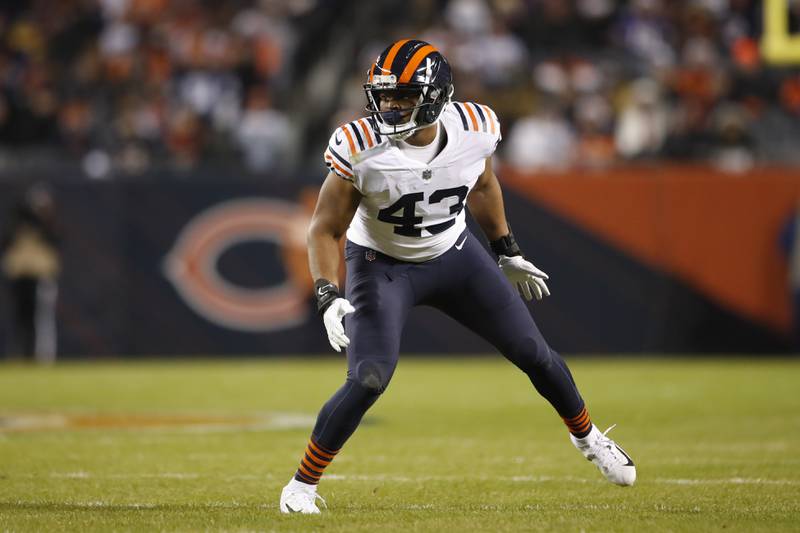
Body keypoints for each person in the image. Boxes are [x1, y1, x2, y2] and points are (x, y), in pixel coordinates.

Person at [279, 39, 636, 514]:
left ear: (435, 96)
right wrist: (327, 294)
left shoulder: (475, 128)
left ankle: (589, 438)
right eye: (385, 95)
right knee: (367, 379)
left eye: (405, 95)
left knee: (533, 352)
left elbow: (484, 183)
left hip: (456, 254)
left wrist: (505, 248)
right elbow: (324, 228)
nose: (391, 105)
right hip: (381, 266)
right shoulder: (359, 146)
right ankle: (300, 487)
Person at [1, 184, 60, 363]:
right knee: (20, 317)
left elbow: (55, 242)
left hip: (40, 277)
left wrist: (42, 220)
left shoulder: (48, 227)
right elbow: (6, 242)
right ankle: (21, 354)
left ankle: (41, 357)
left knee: (41, 318)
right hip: (20, 276)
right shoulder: (17, 226)